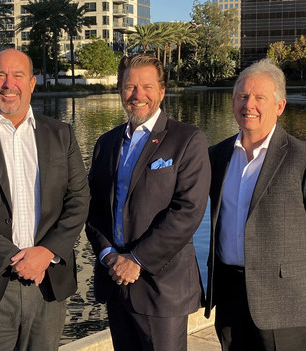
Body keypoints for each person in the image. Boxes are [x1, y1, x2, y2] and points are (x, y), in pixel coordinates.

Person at [0, 49, 90, 351]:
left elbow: (79, 199)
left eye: (17, 76)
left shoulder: (62, 135)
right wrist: (14, 258)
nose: (9, 84)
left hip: (47, 284)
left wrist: (46, 252)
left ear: (32, 83)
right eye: (0, 75)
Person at [205, 58, 306, 351]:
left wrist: (299, 275)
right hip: (229, 295)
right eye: (242, 96)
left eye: (259, 97)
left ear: (279, 106)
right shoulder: (216, 155)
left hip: (286, 300)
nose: (249, 104)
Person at [85, 54, 211, 351]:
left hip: (162, 288)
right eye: (130, 87)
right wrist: (107, 255)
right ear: (120, 91)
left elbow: (188, 211)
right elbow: (93, 208)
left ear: (162, 91)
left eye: (147, 87)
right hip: (115, 281)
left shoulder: (188, 139)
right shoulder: (106, 142)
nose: (138, 95)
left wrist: (137, 259)